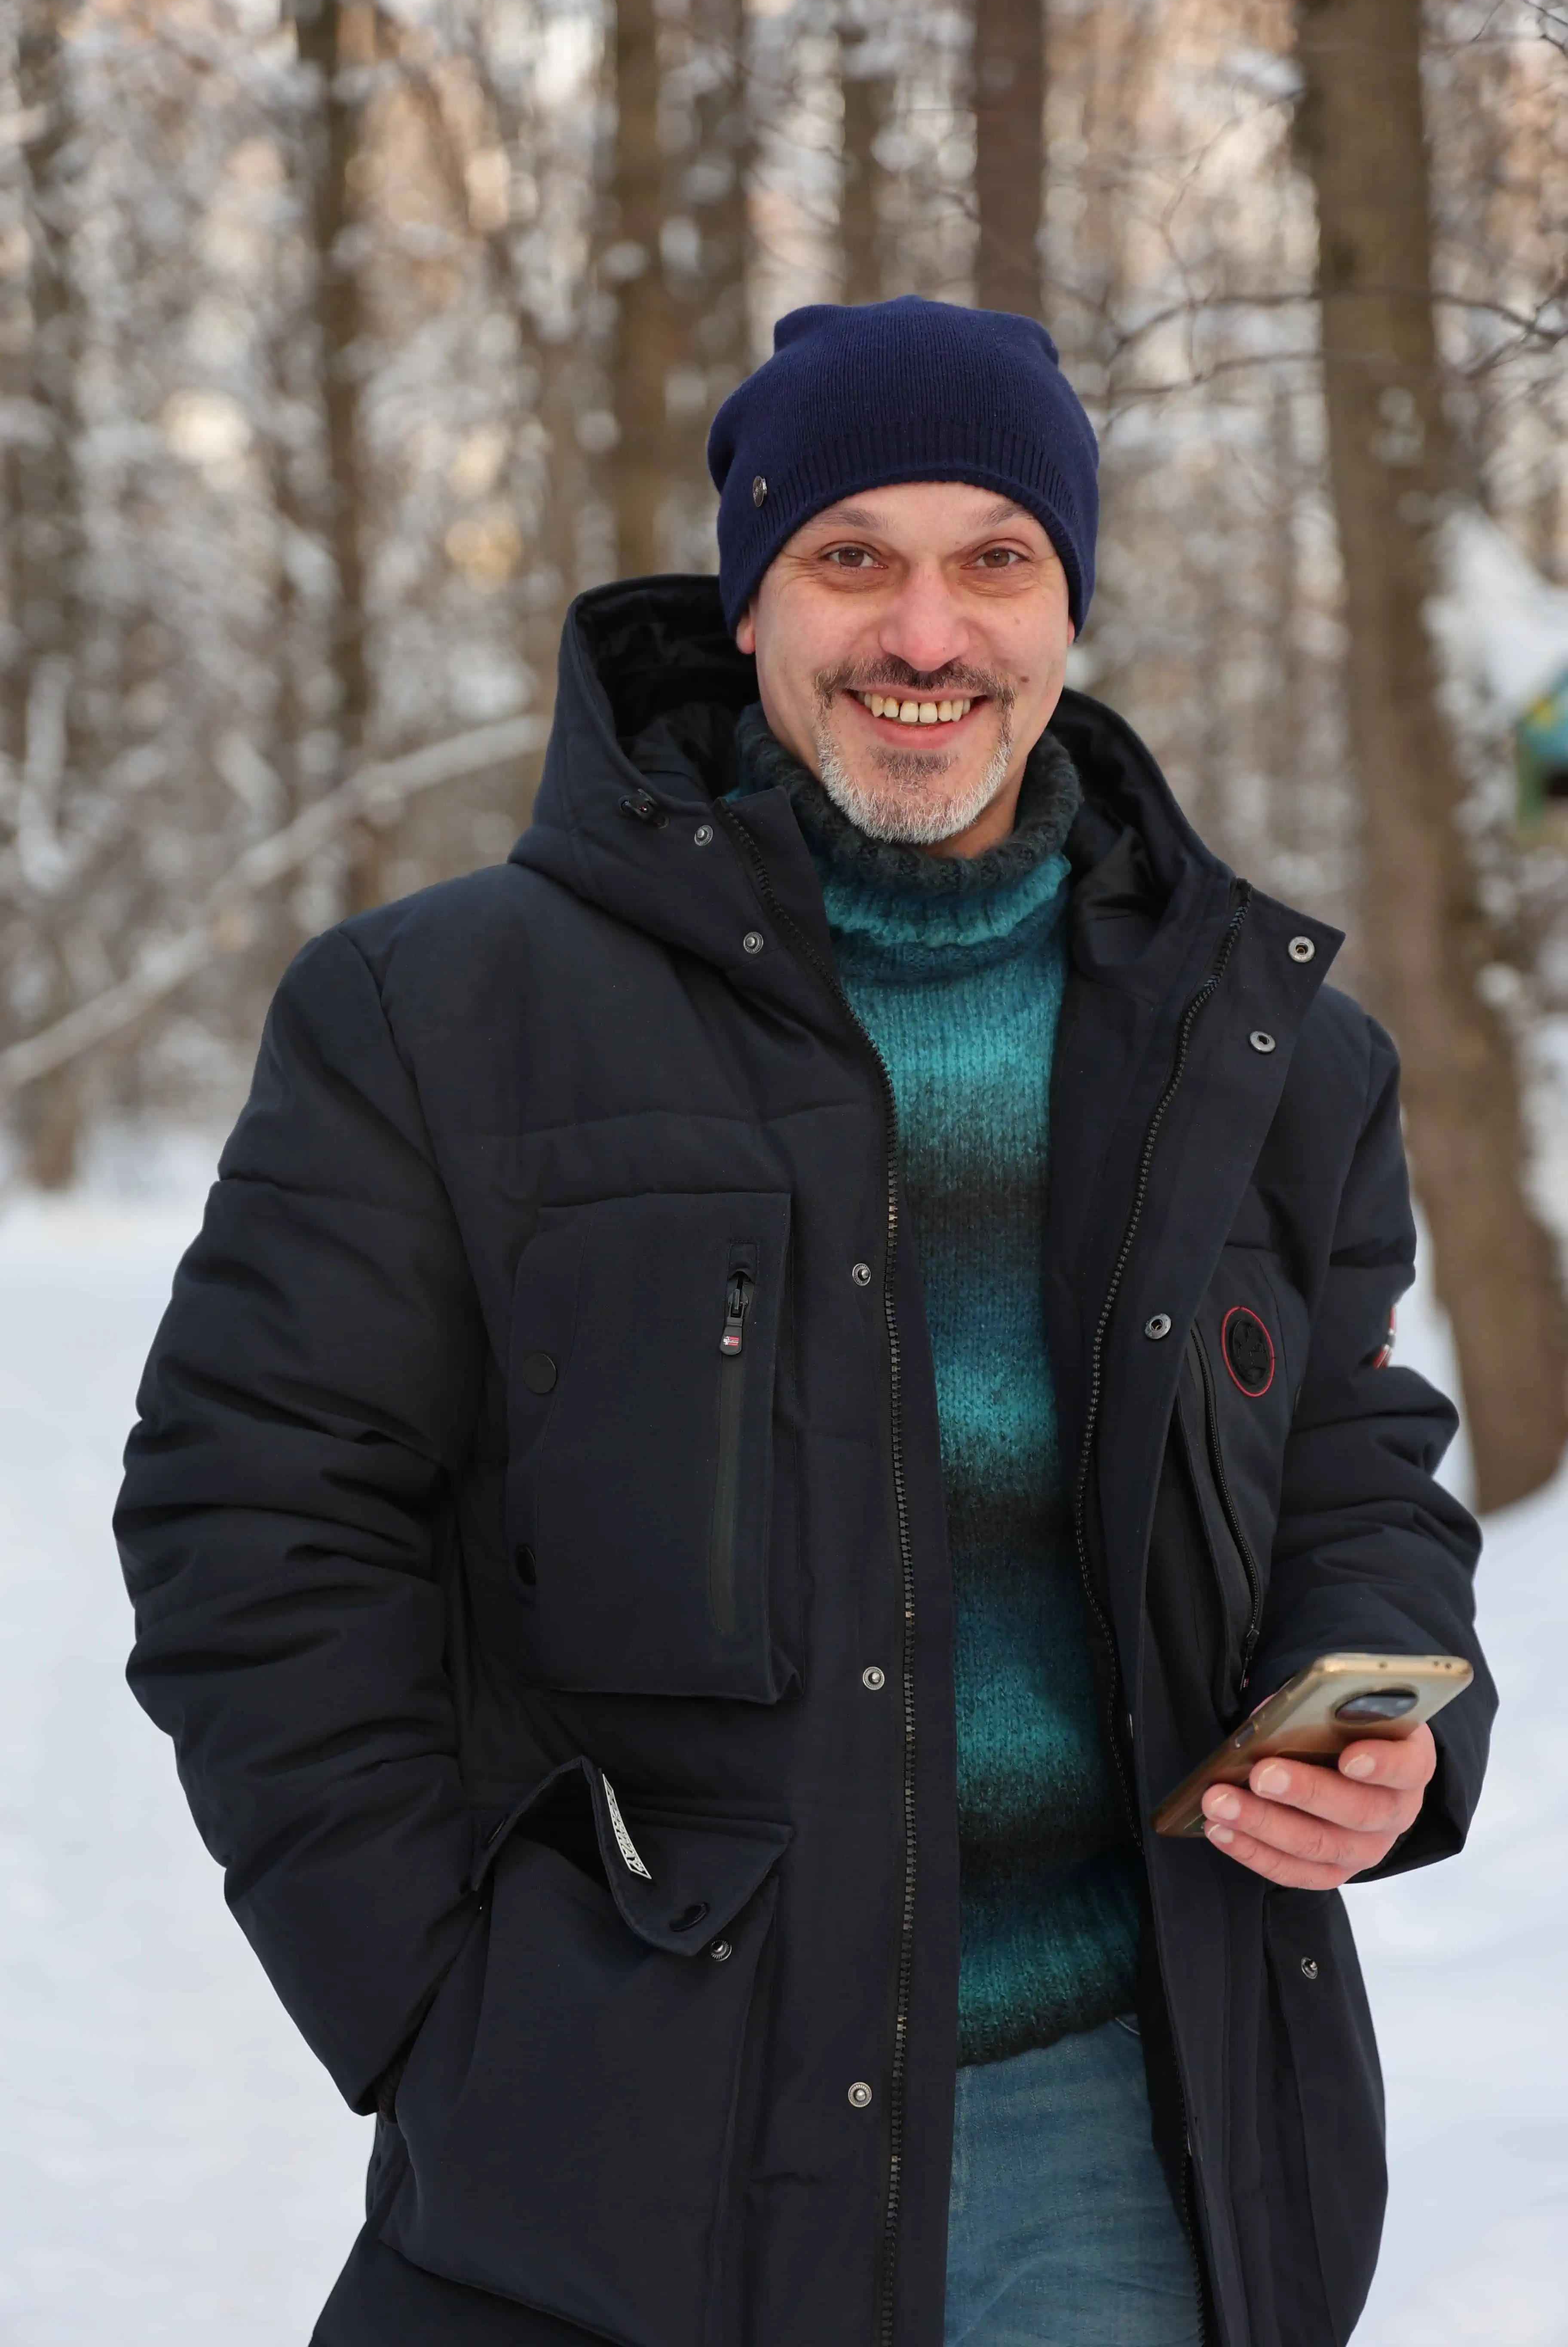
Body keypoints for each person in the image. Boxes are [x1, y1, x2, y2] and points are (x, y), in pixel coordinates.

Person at [116, 298, 1494, 2347]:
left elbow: (1347, 1451)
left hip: (1138, 2135)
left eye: (994, 560)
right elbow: (254, 1532)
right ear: (747, 602)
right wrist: (441, 2001)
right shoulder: (441, 1016)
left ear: (1068, 607)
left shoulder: (1267, 1044)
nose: (925, 636)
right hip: (637, 2153)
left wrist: (1377, 1701)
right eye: (853, 556)